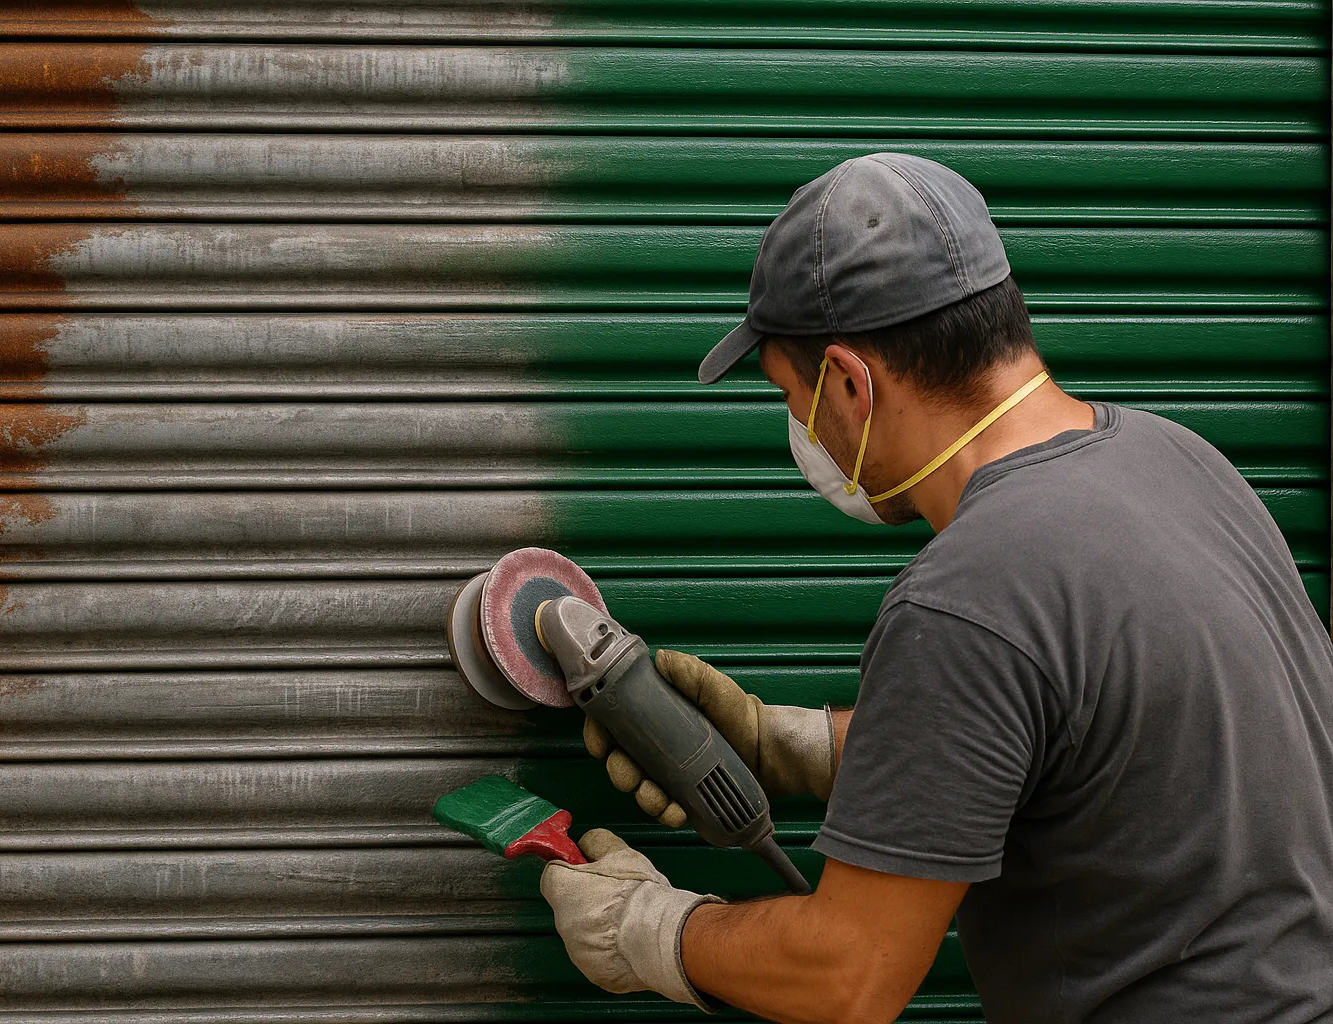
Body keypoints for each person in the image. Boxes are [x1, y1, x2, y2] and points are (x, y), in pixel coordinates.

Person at [538, 154, 1333, 1023]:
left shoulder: (968, 594)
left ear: (849, 382)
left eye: (789, 396)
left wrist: (649, 929)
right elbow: (1106, 742)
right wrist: (799, 745)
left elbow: (847, 977)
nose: (802, 430)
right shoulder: (1178, 459)